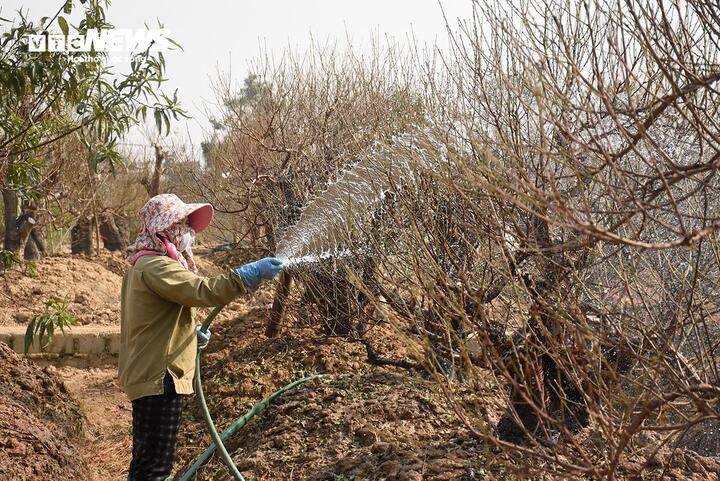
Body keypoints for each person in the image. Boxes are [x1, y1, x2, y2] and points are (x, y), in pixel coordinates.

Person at [119, 194, 283, 481]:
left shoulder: (143, 264)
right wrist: (246, 275)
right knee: (154, 470)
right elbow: (203, 292)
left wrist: (190, 336)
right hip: (161, 376)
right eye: (181, 225)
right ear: (163, 228)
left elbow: (155, 319)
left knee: (147, 465)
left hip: (152, 373)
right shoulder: (156, 266)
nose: (188, 233)